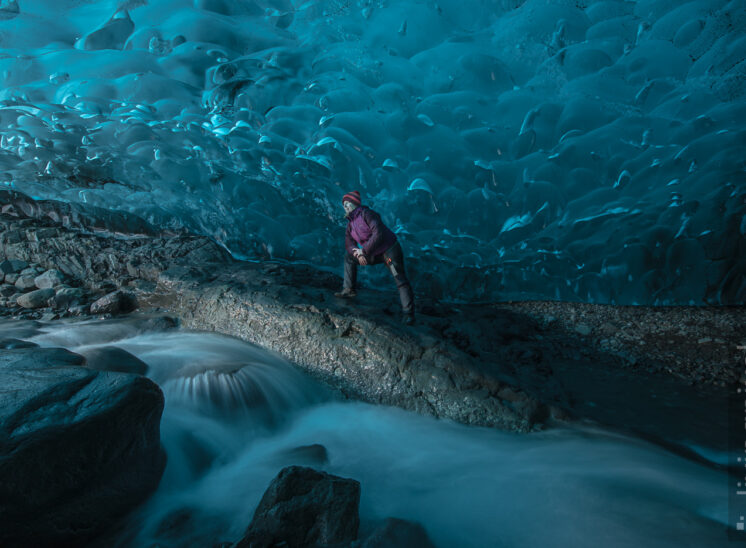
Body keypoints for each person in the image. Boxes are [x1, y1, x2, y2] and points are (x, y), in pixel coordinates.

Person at [334, 190, 415, 325]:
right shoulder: (350, 224)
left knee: (398, 278)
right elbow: (349, 244)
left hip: (388, 254)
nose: (346, 206)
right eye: (344, 204)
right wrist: (357, 253)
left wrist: (364, 251)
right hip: (373, 254)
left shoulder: (367, 214)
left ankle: (408, 313)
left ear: (356, 204)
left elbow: (379, 234)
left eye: (349, 203)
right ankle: (349, 290)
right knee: (348, 257)